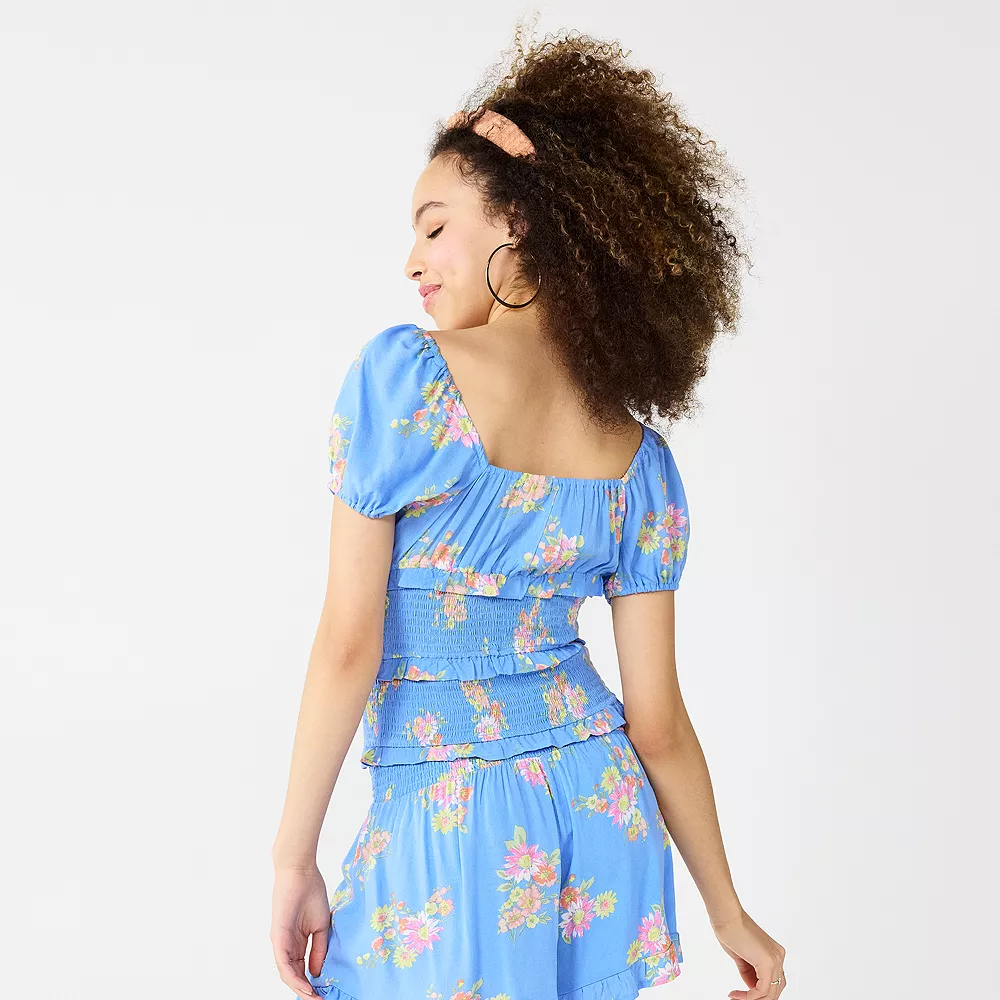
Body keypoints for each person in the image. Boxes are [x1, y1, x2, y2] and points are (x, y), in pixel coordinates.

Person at [271, 27, 786, 1000]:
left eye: (433, 226)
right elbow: (657, 723)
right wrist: (726, 909)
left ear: (520, 220)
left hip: (456, 828)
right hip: (597, 809)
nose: (412, 261)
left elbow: (348, 643)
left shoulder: (406, 381)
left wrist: (292, 860)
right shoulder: (640, 462)